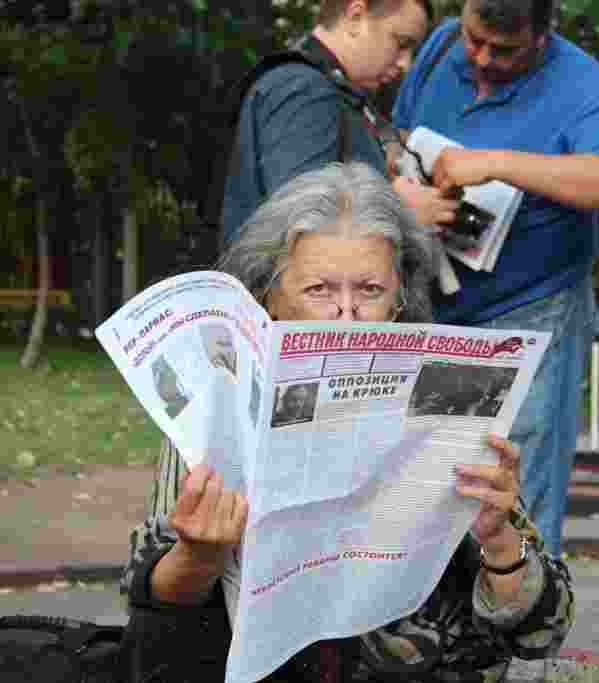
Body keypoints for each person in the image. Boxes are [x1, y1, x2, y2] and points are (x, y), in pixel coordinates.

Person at [121, 162, 574, 683]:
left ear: (400, 299)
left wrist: (500, 545)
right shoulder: (214, 408)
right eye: (319, 290)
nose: (347, 315)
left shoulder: (455, 395)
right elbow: (148, 609)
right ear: (267, 297)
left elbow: (542, 633)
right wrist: (199, 555)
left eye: (370, 290)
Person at [391, 0, 599, 554]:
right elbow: (400, 134)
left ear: (542, 35)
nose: (482, 58)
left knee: (513, 494)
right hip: (442, 314)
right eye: (474, 39)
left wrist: (498, 162)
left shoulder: (579, 84)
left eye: (503, 50)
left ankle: (523, 632)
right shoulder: (439, 47)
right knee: (442, 488)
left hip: (529, 313)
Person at [219, 0, 459, 247]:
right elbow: (302, 225)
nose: (405, 63)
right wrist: (402, 211)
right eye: (401, 43)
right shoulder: (307, 91)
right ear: (355, 16)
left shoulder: (324, 89)